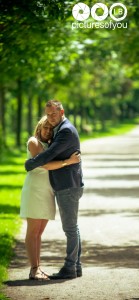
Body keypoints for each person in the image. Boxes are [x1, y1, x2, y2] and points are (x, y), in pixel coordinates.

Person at [25, 100, 84, 280]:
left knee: (70, 228)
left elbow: (50, 155)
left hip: (68, 186)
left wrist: (30, 164)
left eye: (54, 114)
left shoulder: (65, 130)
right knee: (72, 228)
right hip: (64, 185)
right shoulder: (58, 130)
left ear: (62, 111)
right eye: (48, 115)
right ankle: (75, 266)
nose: (51, 119)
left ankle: (70, 267)